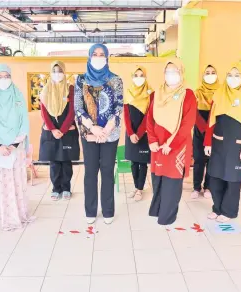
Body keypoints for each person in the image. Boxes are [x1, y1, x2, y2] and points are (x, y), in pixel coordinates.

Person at [0, 64, 34, 231]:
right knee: (1, 184)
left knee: (17, 182)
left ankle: (20, 214)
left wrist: (14, 144)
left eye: (6, 76)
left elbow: (24, 122)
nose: (3, 80)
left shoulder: (17, 95)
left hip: (15, 148)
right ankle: (6, 217)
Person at [74, 44, 123, 225]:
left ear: (107, 57)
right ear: (89, 56)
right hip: (89, 133)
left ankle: (108, 211)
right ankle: (91, 211)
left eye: (102, 54)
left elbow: (118, 107)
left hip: (110, 134)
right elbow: (78, 108)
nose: (98, 57)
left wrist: (106, 130)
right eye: (95, 54)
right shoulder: (80, 80)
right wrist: (93, 128)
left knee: (108, 172)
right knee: (90, 173)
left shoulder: (116, 80)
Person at [204, 63, 241, 223]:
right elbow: (211, 121)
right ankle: (217, 208)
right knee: (215, 178)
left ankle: (228, 212)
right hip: (218, 144)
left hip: (237, 146)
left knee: (232, 180)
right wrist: (207, 143)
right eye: (230, 75)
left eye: (237, 75)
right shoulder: (218, 95)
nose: (233, 79)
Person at [146, 59, 196, 227]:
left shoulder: (188, 94)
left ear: (181, 73)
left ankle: (167, 216)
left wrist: (170, 144)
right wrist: (152, 140)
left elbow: (187, 123)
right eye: (168, 71)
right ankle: (157, 210)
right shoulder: (157, 93)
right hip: (157, 145)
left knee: (172, 181)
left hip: (176, 146)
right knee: (158, 178)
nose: (171, 74)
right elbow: (149, 119)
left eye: (175, 71)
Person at [39, 61, 80, 201]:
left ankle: (67, 188)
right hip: (51, 131)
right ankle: (56, 189)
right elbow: (44, 111)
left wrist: (62, 129)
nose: (57, 74)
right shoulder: (45, 89)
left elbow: (72, 111)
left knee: (66, 161)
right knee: (54, 162)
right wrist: (52, 129)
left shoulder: (70, 89)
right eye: (54, 71)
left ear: (64, 72)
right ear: (51, 72)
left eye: (60, 70)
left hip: (67, 130)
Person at [123, 66, 154, 201]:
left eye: (141, 75)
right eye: (136, 75)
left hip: (144, 133)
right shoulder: (128, 92)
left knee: (142, 163)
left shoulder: (151, 94)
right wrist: (131, 133)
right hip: (130, 134)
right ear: (132, 77)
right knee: (133, 162)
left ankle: (140, 189)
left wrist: (139, 133)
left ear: (146, 77)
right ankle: (136, 187)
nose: (139, 78)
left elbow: (149, 115)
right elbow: (126, 115)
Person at [191, 64, 220, 199]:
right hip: (199, 131)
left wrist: (211, 130)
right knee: (199, 160)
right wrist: (204, 129)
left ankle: (208, 187)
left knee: (212, 161)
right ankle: (196, 187)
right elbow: (193, 112)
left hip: (216, 130)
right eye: (207, 72)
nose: (210, 75)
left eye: (213, 72)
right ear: (203, 76)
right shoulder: (197, 92)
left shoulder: (221, 93)